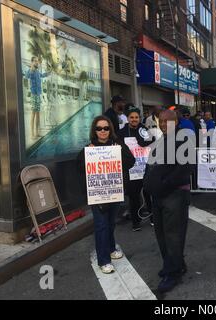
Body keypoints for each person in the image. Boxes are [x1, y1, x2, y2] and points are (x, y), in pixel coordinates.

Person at [143, 110, 193, 293]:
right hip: (158, 196)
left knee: (173, 235)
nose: (163, 124)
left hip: (174, 195)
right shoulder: (162, 139)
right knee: (162, 234)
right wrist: (147, 183)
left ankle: (173, 274)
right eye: (161, 121)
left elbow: (185, 169)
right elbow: (151, 165)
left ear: (176, 121)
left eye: (167, 121)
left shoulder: (183, 139)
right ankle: (174, 264)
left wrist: (163, 185)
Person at [78, 115, 135, 274]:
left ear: (110, 129)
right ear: (94, 131)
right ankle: (103, 260)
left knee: (110, 223)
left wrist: (120, 151)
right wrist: (88, 154)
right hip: (98, 194)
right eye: (99, 128)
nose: (102, 131)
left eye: (106, 128)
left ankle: (110, 248)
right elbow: (79, 168)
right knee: (101, 225)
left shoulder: (118, 145)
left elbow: (131, 162)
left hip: (115, 191)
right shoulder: (88, 148)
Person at [117, 107, 155, 231]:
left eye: (136, 117)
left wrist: (140, 143)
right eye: (132, 117)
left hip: (145, 167)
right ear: (128, 118)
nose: (134, 119)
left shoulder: (143, 129)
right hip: (131, 169)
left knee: (148, 193)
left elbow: (151, 141)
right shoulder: (122, 132)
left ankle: (153, 218)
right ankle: (136, 222)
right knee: (133, 197)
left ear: (139, 118)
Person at [23, 56, 50, 139]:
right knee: (33, 114)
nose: (37, 62)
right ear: (32, 62)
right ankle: (32, 134)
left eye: (37, 61)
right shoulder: (31, 71)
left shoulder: (37, 71)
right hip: (34, 95)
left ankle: (37, 132)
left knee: (38, 114)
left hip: (38, 95)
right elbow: (26, 76)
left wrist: (49, 72)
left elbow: (42, 75)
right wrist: (31, 68)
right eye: (35, 61)